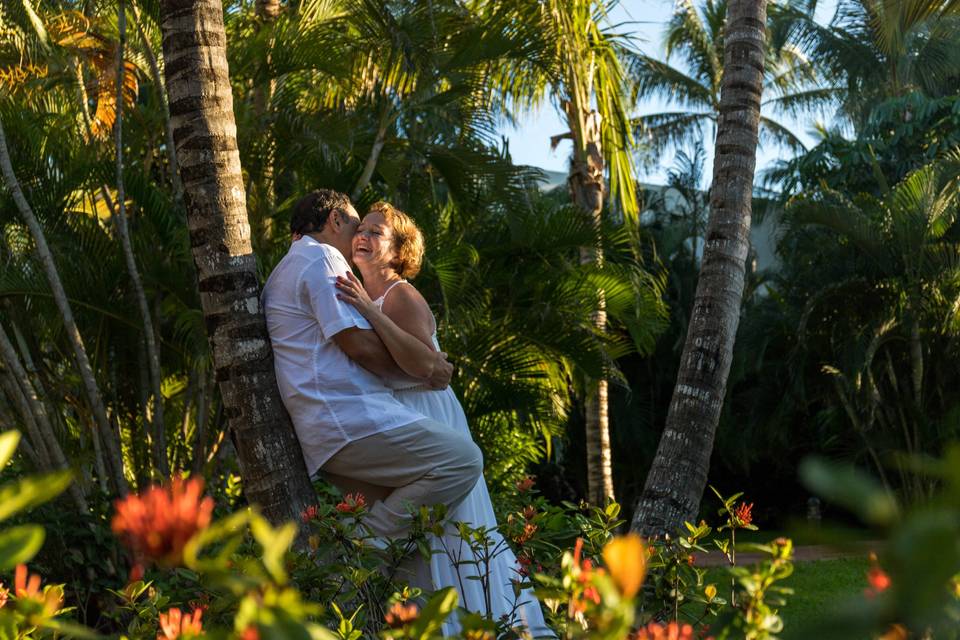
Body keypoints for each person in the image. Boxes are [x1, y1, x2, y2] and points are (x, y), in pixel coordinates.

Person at [335, 201, 552, 638]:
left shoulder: (399, 294)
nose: (364, 236)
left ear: (397, 252)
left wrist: (370, 310)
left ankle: (480, 622)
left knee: (452, 526)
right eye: (363, 230)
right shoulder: (365, 291)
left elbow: (425, 365)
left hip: (426, 408)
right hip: (399, 409)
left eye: (377, 233)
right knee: (426, 527)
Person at [261, 189, 483, 542]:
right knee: (463, 461)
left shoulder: (284, 270)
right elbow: (358, 345)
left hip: (327, 428)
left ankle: (373, 574)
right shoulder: (323, 259)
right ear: (335, 221)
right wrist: (425, 371)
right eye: (355, 224)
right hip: (348, 421)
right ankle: (361, 554)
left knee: (403, 507)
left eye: (372, 231)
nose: (359, 236)